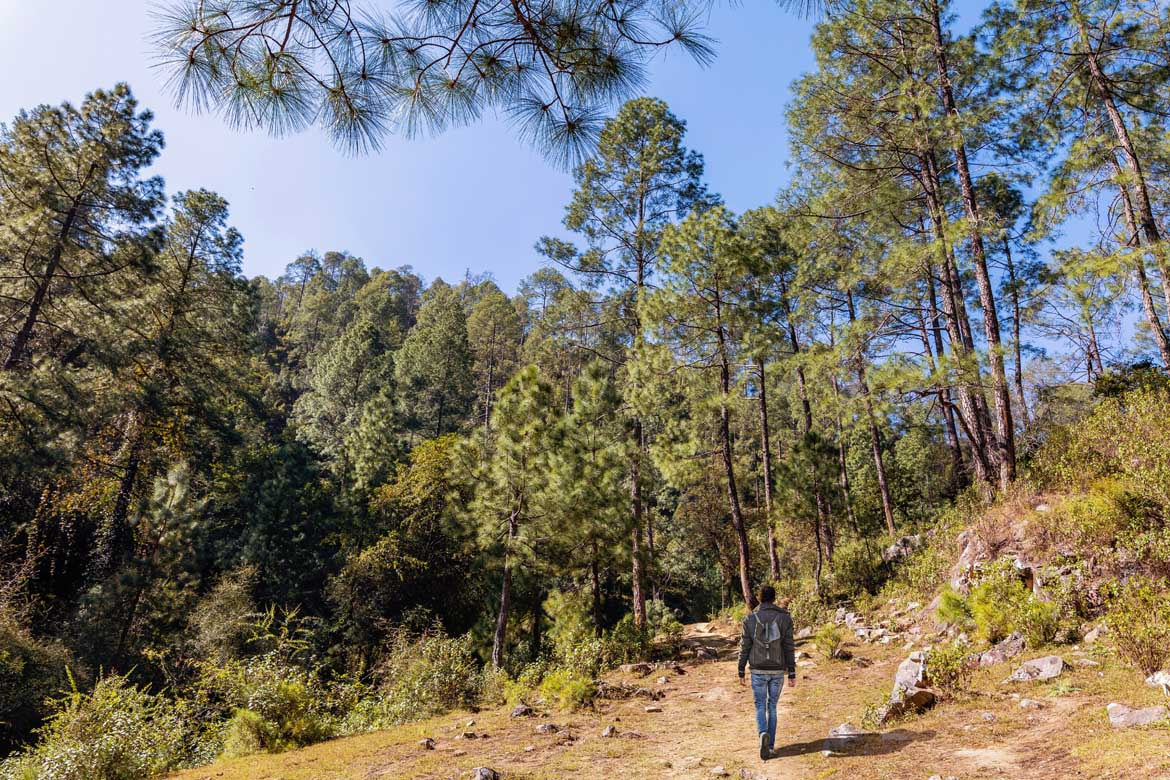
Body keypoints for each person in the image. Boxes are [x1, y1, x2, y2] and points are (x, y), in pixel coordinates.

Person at [736, 585, 796, 760]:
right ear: (774, 598)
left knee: (760, 706)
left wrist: (741, 669)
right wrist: (791, 672)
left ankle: (763, 733)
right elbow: (789, 647)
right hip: (777, 670)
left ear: (760, 598)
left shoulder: (750, 619)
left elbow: (745, 646)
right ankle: (770, 746)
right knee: (772, 707)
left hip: (758, 670)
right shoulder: (785, 618)